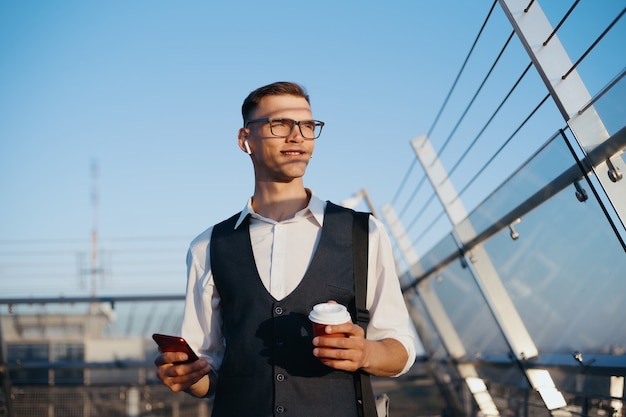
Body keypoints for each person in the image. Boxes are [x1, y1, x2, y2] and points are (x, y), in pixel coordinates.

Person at [155, 81, 417, 416]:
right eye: (280, 124)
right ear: (244, 139)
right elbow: (210, 375)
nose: (298, 136)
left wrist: (365, 353)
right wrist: (188, 375)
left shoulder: (363, 233)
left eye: (308, 126)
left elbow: (401, 349)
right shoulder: (208, 246)